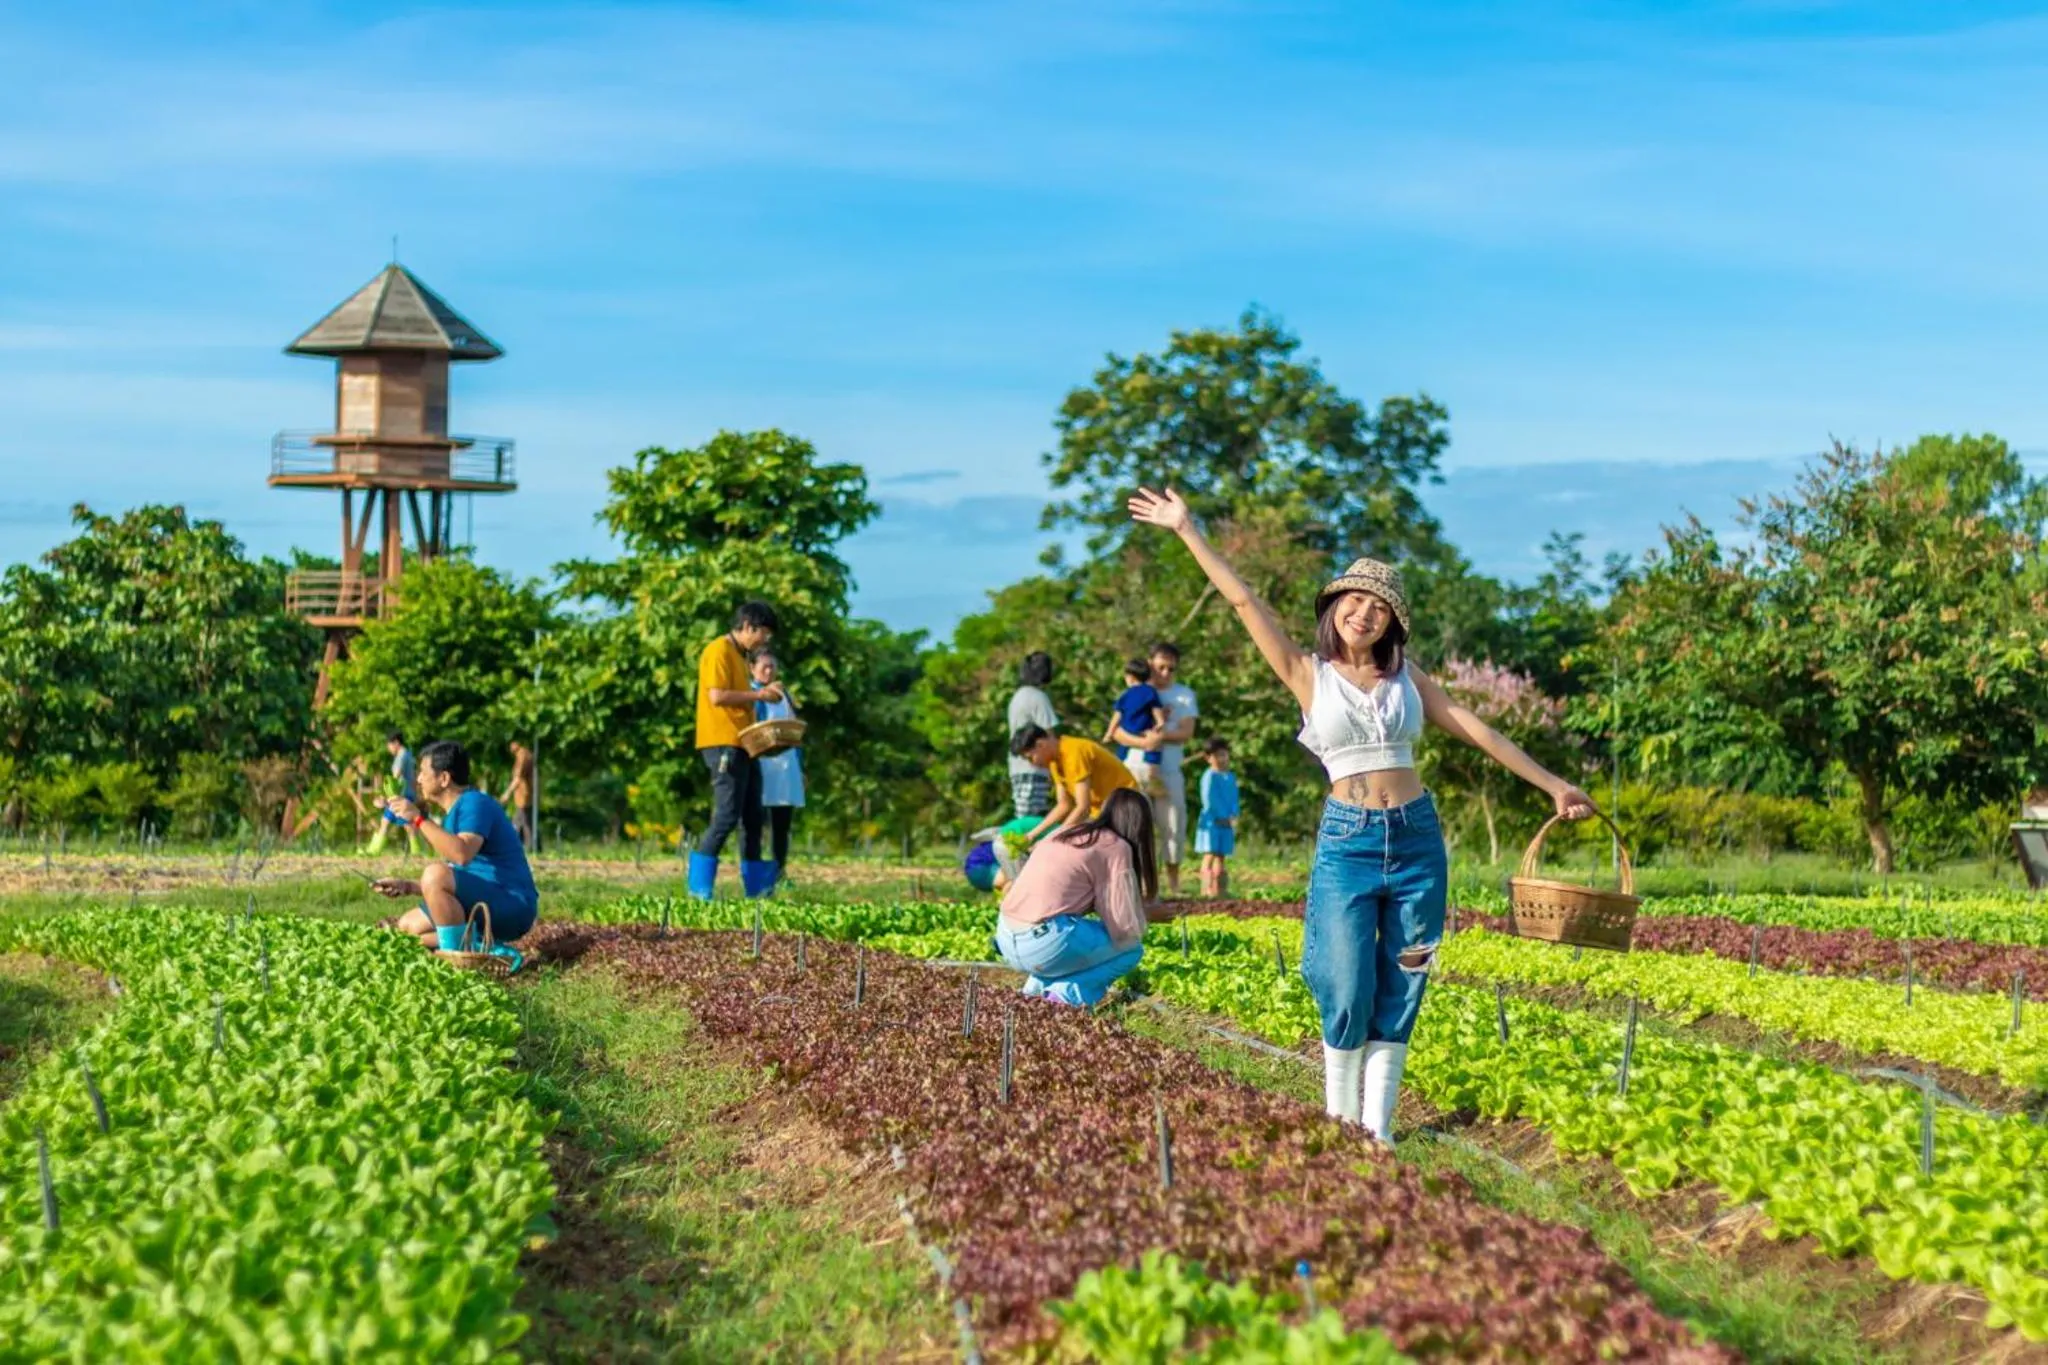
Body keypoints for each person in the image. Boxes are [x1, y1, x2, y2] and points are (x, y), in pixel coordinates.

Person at [1130, 486, 1594, 1144]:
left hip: (1415, 838)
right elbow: (1243, 601)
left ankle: (1377, 1132)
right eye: (1355, 599)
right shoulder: (1306, 672)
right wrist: (1186, 529)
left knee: (1406, 975)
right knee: (1343, 978)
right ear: (1334, 607)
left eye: (1380, 607)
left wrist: (1554, 784)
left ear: (1393, 623)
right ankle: (1338, 1117)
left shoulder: (1410, 679)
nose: (1366, 613)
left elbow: (1480, 730)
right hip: (1347, 840)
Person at [373, 740, 539, 971]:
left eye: (423, 772)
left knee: (434, 873)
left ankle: (456, 962)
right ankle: (482, 947)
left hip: (510, 902)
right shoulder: (453, 815)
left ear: (444, 778)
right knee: (408, 927)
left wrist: (418, 818)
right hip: (483, 897)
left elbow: (461, 855)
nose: (418, 779)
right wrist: (407, 886)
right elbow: (453, 881)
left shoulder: (474, 803)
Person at [994, 788, 1158, 1007]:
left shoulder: (1067, 831)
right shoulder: (1116, 846)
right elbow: (1122, 926)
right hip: (1043, 943)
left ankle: (1034, 989)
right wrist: (1147, 915)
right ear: (1140, 825)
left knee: (1074, 940)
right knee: (1131, 949)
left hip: (1005, 934)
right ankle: (1065, 994)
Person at [691, 601, 781, 900]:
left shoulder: (740, 657)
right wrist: (758, 694)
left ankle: (756, 890)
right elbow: (717, 696)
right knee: (726, 816)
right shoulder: (717, 650)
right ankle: (699, 890)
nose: (764, 641)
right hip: (723, 743)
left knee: (754, 817)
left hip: (744, 743)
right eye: (763, 634)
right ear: (748, 627)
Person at [1111, 643, 1199, 896]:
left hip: (1169, 768)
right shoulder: (1134, 691)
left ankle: (1172, 884)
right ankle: (1135, 883)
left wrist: (1160, 738)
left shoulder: (1184, 695)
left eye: (1171, 668)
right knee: (1132, 824)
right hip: (1133, 765)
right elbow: (1116, 731)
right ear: (1149, 664)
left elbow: (1186, 732)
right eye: (1160, 666)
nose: (1165, 673)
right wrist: (1145, 742)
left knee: (1173, 823)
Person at [1011, 724, 1138, 849]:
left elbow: (1083, 808)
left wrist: (1052, 839)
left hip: (1126, 805)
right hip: (1103, 812)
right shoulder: (1055, 763)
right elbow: (1064, 805)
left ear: (1040, 745)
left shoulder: (1073, 753)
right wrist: (1032, 835)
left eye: (1030, 758)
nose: (1032, 763)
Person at [751, 648, 804, 887]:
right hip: (762, 765)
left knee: (782, 823)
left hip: (786, 765)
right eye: (764, 667)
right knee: (756, 821)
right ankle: (756, 873)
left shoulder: (785, 696)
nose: (769, 671)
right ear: (753, 669)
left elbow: (796, 731)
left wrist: (801, 767)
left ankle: (780, 870)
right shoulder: (751, 695)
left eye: (772, 666)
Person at [1006, 652, 1059, 821]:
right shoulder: (1038, 697)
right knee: (1033, 819)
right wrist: (1057, 767)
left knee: (1024, 815)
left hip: (1017, 766)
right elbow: (1048, 736)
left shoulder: (1018, 696)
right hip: (1034, 766)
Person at [1104, 657, 1167, 794]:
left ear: (1130, 678)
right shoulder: (1150, 691)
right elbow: (1156, 709)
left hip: (1126, 731)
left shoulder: (1125, 695)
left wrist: (1109, 733)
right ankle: (1153, 779)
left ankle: (1116, 774)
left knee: (1121, 755)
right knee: (1154, 751)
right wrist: (1160, 722)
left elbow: (1117, 715)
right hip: (1142, 731)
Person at [366, 731, 425, 856]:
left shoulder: (401, 757)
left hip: (399, 795)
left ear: (396, 743)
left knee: (391, 822)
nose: (389, 748)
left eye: (389, 745)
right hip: (408, 794)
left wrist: (385, 796)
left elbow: (395, 777)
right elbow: (413, 778)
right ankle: (417, 851)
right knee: (403, 824)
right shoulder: (409, 755)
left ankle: (373, 851)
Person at [1194, 737, 1239, 898]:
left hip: (1226, 821)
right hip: (1211, 821)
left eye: (1224, 754)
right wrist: (1220, 815)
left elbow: (1234, 798)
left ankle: (1220, 889)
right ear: (1208, 758)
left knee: (1221, 855)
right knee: (1210, 853)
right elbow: (1208, 799)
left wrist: (1233, 814)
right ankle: (1205, 890)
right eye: (1217, 755)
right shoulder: (1209, 776)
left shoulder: (1230, 776)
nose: (1221, 759)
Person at [500, 741, 536, 845]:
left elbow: (518, 778)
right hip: (524, 795)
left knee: (522, 820)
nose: (510, 747)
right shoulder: (523, 754)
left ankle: (529, 846)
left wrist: (507, 793)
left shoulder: (523, 755)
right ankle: (529, 846)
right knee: (522, 820)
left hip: (524, 795)